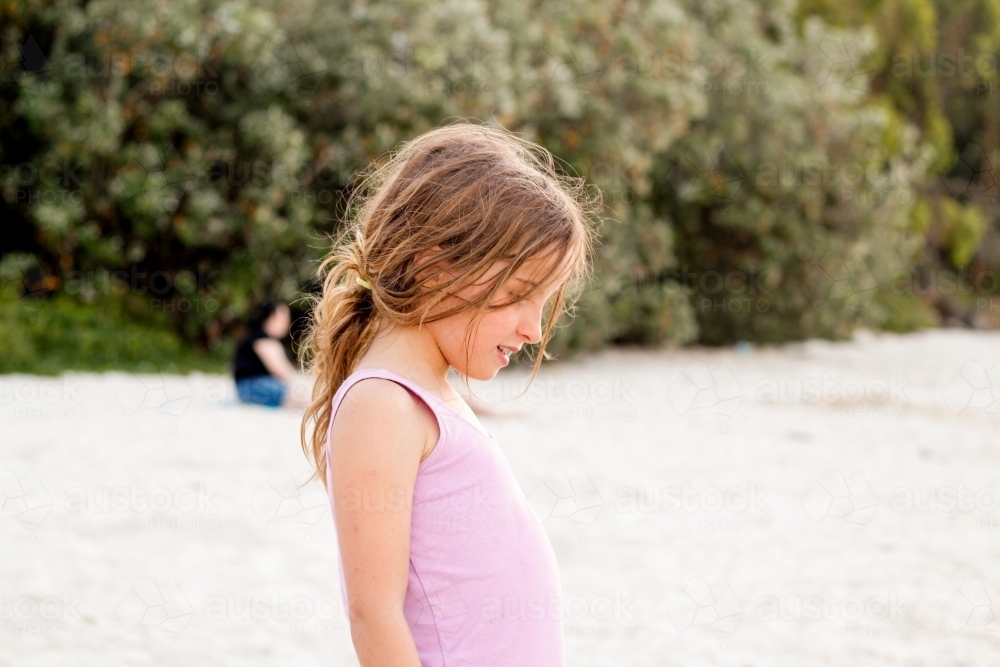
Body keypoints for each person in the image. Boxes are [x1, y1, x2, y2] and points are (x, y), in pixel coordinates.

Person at [299, 123, 598, 666]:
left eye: (544, 303)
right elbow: (374, 614)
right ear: (435, 265)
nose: (534, 329)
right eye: (516, 296)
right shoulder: (382, 406)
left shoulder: (428, 397)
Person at [233, 301, 308, 408]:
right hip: (252, 386)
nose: (287, 323)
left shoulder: (256, 336)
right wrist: (300, 387)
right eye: (283, 319)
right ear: (270, 318)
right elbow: (281, 370)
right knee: (296, 396)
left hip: (248, 387)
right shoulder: (263, 339)